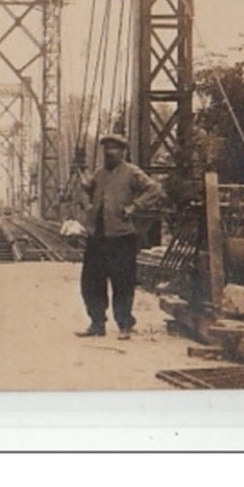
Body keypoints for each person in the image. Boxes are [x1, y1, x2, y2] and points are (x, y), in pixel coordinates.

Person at [76, 134, 162, 340]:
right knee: (91, 281)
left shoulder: (132, 173)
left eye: (114, 148)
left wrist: (135, 206)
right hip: (97, 236)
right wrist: (87, 204)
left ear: (123, 151)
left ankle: (124, 324)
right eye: (106, 148)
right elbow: (86, 189)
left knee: (122, 281)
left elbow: (155, 189)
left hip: (121, 236)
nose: (109, 152)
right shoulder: (99, 174)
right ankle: (97, 323)